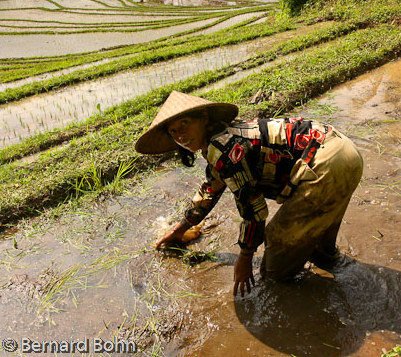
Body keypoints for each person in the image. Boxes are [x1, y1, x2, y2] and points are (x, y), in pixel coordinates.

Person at [135, 91, 363, 297]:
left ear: (204, 118)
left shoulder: (223, 149)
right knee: (319, 248)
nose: (180, 135)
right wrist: (179, 230)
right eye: (174, 131)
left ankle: (310, 303)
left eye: (184, 124)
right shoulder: (222, 140)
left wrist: (244, 258)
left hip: (325, 162)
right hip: (340, 150)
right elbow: (209, 192)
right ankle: (340, 271)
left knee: (275, 261)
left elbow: (253, 209)